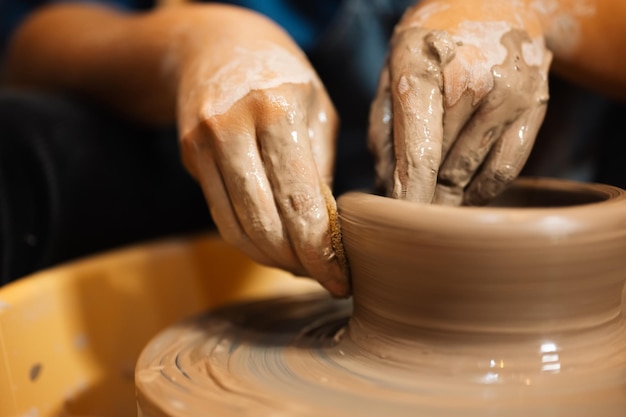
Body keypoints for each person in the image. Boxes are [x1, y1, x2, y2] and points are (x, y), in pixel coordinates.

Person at [1, 0, 625, 294]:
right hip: (219, 150)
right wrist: (199, 40)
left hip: (538, 163)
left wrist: (539, 11)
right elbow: (29, 34)